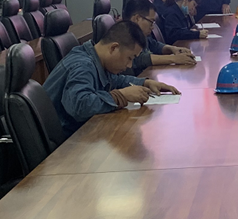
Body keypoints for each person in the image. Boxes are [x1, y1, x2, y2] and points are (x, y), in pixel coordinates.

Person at [44, 21, 181, 138]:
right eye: (129, 58)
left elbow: (115, 80)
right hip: (65, 145)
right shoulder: (83, 65)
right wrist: (120, 96)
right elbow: (80, 106)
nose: (129, 65)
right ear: (114, 48)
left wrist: (145, 83)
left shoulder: (97, 59)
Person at [124, 0, 196, 76]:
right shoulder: (124, 35)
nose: (152, 27)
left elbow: (153, 44)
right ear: (137, 18)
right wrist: (175, 59)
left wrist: (173, 49)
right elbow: (139, 59)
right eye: (151, 22)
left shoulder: (140, 34)